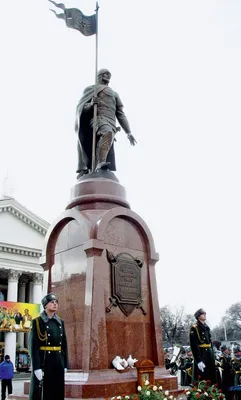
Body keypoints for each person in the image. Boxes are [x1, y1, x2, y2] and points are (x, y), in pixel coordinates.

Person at [75, 68, 137, 177]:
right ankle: (100, 163)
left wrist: (129, 132)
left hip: (111, 122)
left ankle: (99, 165)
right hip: (97, 119)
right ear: (99, 75)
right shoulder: (90, 89)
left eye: (109, 74)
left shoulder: (114, 94)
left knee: (107, 137)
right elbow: (81, 108)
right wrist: (90, 105)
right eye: (105, 73)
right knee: (107, 133)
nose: (108, 76)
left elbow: (120, 114)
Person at [29, 293, 68, 400]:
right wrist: (36, 367)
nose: (55, 304)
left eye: (56, 302)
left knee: (57, 392)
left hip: (58, 362)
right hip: (44, 361)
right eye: (52, 302)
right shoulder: (37, 322)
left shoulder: (60, 322)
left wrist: (65, 364)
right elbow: (34, 347)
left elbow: (64, 345)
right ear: (45, 305)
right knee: (43, 393)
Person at [189, 308, 216, 384]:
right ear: (198, 316)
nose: (204, 315)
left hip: (209, 354)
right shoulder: (195, 328)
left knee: (211, 375)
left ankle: (213, 393)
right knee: (202, 377)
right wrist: (198, 360)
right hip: (202, 354)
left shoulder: (207, 327)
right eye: (202, 314)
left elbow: (210, 343)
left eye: (205, 313)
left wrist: (212, 354)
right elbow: (194, 345)